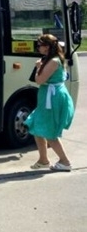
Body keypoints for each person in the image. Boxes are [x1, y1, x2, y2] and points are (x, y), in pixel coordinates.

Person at [24, 34, 74, 172]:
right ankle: (43, 160)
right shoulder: (52, 59)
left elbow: (39, 80)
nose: (38, 47)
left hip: (52, 99)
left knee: (49, 131)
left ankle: (65, 161)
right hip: (49, 97)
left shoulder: (53, 61)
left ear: (47, 47)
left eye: (39, 45)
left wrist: (38, 67)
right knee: (36, 125)